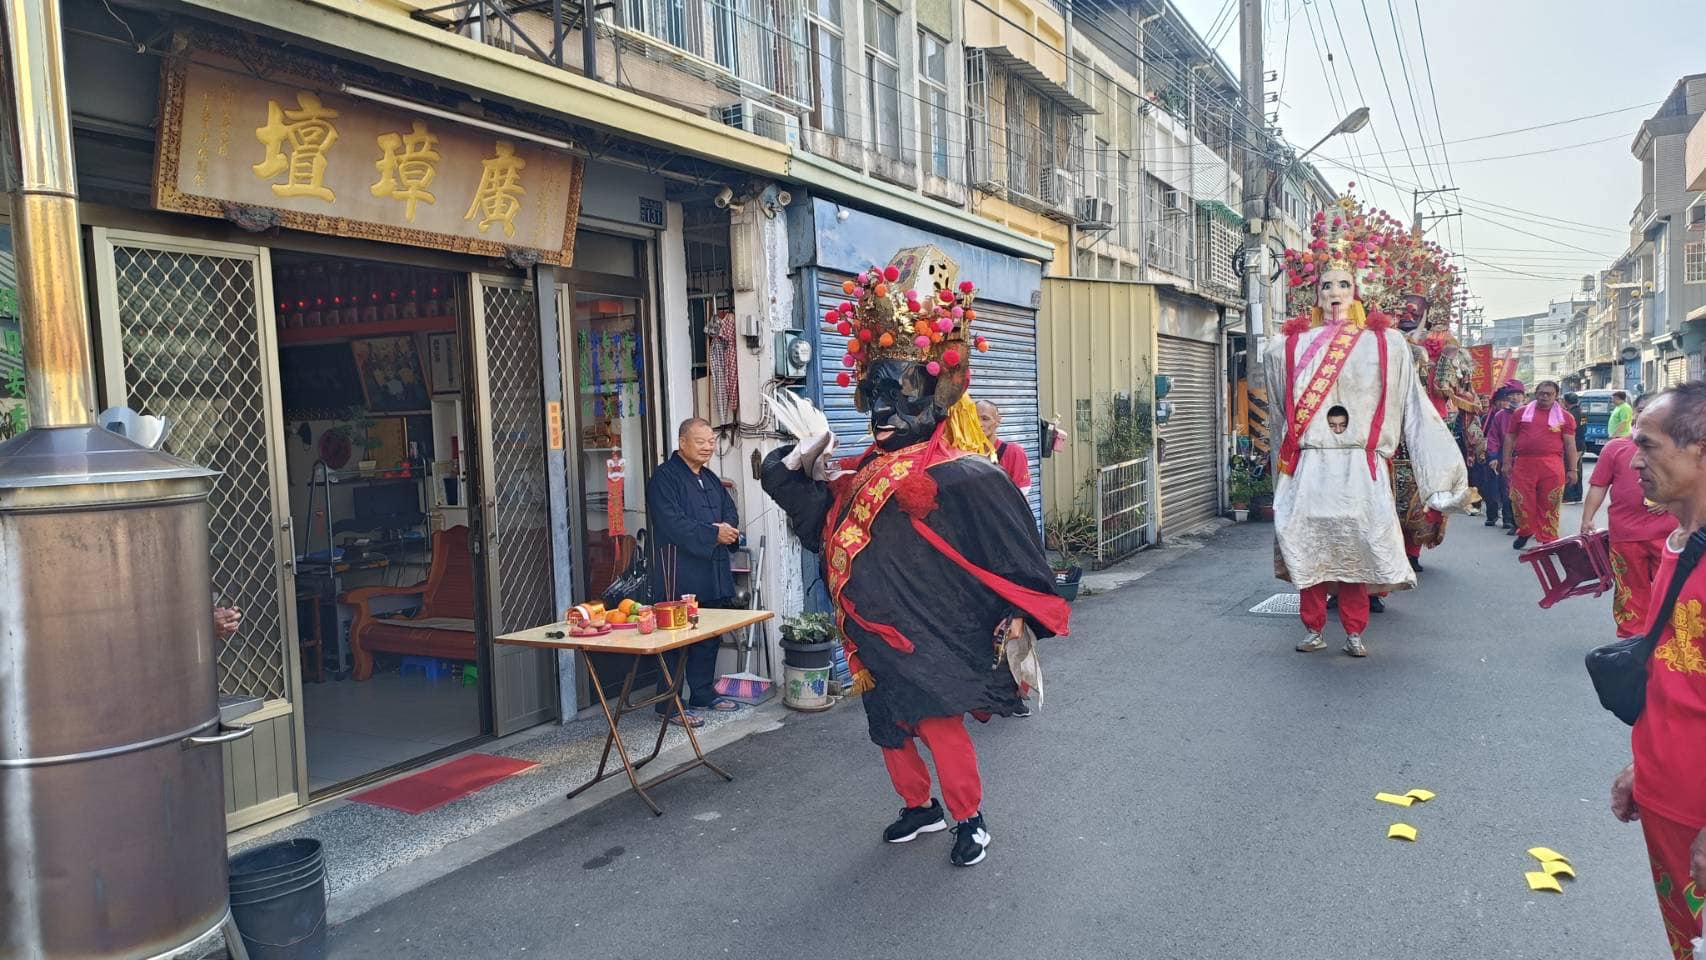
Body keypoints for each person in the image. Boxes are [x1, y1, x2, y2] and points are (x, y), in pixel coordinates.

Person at [762, 255, 1069, 868]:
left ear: (937, 394)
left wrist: (1016, 615)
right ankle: (919, 806)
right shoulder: (862, 471)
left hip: (931, 632)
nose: (881, 411)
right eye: (873, 395)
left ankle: (969, 818)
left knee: (937, 724)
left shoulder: (966, 473)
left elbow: (1016, 552)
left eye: (897, 394)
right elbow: (815, 519)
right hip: (870, 633)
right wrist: (796, 459)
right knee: (888, 724)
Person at [1270, 203, 1467, 660]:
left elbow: (1416, 409)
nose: (1334, 293)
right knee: (1309, 548)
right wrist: (1281, 473)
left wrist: (1442, 480)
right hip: (1310, 466)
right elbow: (1282, 418)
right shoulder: (1287, 348)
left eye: (1343, 284)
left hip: (1361, 466)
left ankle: (1355, 630)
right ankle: (1313, 627)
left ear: (1357, 291)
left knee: (1357, 552)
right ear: (1314, 294)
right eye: (1326, 285)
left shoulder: (1387, 344)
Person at [1608, 381, 1706, 959]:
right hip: (1667, 797)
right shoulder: (1680, 543)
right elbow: (1673, 678)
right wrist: (1642, 768)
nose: (1633, 460)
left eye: (1647, 445)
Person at [647, 417, 743, 726]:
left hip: (713, 569)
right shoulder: (664, 478)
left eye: (711, 442)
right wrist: (712, 533)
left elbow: (729, 511)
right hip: (679, 571)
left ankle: (703, 693)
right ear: (682, 443)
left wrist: (728, 529)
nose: (707, 447)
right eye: (700, 441)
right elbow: (672, 523)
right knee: (676, 638)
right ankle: (669, 704)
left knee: (708, 634)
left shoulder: (710, 477)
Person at [1581, 394, 1676, 638]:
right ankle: (1632, 640)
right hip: (1625, 534)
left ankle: (1668, 641)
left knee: (1672, 589)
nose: (1648, 414)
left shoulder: (1680, 447)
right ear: (1634, 414)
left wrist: (1669, 500)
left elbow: (1695, 484)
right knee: (1630, 589)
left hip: (1670, 534)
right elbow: (1599, 485)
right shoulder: (1615, 448)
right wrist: (1587, 518)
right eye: (1643, 410)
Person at [1504, 381, 1578, 550]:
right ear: (1535, 394)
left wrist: (1573, 469)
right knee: (1521, 500)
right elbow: (1510, 437)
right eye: (1541, 393)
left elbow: (1570, 444)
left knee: (1550, 502)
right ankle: (1525, 531)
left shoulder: (1566, 417)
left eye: (1549, 394)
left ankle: (1548, 539)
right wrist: (1507, 462)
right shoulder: (1521, 413)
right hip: (1524, 463)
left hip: (1552, 465)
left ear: (1556, 396)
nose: (1544, 396)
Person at [1482, 382, 1523, 531]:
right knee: (1506, 489)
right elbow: (1493, 437)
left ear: (1523, 396)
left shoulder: (1529, 414)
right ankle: (1508, 519)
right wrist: (1493, 457)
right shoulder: (1500, 416)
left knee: (1522, 490)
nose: (1515, 398)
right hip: (1504, 456)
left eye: (1518, 394)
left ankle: (1521, 521)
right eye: (1512, 395)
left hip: (1525, 458)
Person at [975, 399, 1032, 496]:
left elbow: (1021, 494)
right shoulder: (965, 454)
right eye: (974, 419)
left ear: (997, 421)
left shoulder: (1013, 452)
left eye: (985, 419)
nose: (979, 424)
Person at [1563, 392, 1587, 504]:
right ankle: (1578, 495)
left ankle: (1569, 496)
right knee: (1578, 470)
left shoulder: (1569, 415)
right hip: (1581, 444)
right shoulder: (1583, 413)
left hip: (1574, 445)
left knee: (1570, 468)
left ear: (1566, 401)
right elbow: (1584, 428)